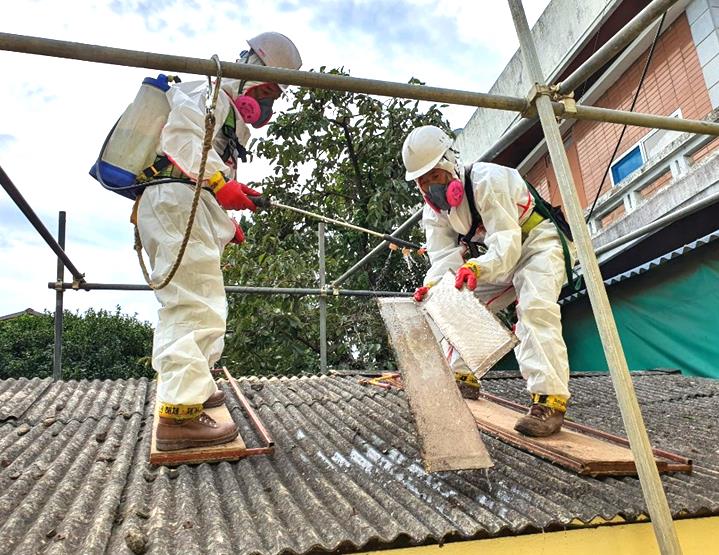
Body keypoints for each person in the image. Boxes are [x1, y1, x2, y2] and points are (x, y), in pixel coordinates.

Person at [134, 32, 302, 451]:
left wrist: (223, 217)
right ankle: (180, 415)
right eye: (266, 93)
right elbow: (182, 142)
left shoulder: (224, 111)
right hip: (175, 201)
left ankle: (193, 387)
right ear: (249, 76)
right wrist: (219, 183)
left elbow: (206, 168)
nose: (267, 106)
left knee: (199, 299)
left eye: (274, 97)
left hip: (181, 203)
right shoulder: (208, 93)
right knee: (194, 305)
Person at [402, 125, 575, 437]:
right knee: (452, 300)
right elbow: (442, 260)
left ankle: (549, 401)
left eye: (434, 176)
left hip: (539, 243)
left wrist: (477, 267)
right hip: (499, 257)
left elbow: (506, 246)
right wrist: (433, 288)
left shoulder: (488, 180)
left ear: (450, 165)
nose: (430, 187)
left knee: (534, 309)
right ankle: (462, 377)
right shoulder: (435, 213)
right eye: (422, 181)